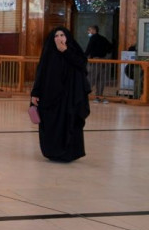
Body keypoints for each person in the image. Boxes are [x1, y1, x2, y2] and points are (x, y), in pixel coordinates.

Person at [30, 26, 91, 162]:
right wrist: (35, 93)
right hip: (50, 98)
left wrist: (65, 51)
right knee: (51, 124)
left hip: (69, 98)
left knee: (69, 123)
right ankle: (52, 151)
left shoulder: (73, 51)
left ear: (67, 38)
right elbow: (41, 74)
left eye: (62, 35)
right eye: (56, 36)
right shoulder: (48, 53)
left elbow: (81, 64)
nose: (59, 38)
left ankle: (69, 153)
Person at [84, 25, 112, 104]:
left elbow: (88, 49)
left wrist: (83, 57)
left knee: (91, 78)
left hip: (95, 61)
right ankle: (98, 96)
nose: (88, 32)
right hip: (103, 61)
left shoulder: (93, 38)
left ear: (93, 30)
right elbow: (110, 47)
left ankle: (84, 95)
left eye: (89, 30)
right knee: (101, 80)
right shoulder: (103, 38)